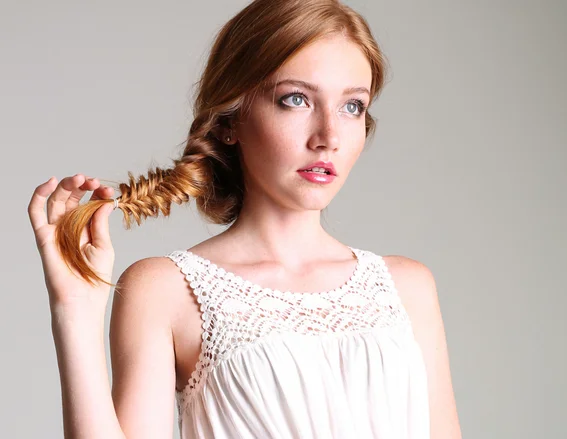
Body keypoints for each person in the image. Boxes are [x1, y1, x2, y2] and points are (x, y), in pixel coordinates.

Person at [27, 0, 461, 437]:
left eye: (352, 107)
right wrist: (76, 313)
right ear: (230, 119)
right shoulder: (165, 290)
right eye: (296, 99)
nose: (328, 136)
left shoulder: (408, 288)